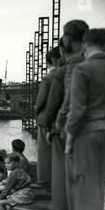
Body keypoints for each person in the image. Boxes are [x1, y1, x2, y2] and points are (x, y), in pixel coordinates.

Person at [64, 28, 105, 210]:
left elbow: (77, 109)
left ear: (85, 45)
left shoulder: (82, 69)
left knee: (85, 182)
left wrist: (69, 136)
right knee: (99, 179)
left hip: (87, 132)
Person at [55, 19, 89, 210]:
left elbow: (70, 101)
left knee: (73, 177)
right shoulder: (95, 61)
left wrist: (60, 125)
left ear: (68, 39)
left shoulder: (74, 65)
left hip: (75, 129)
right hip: (98, 129)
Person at [45, 38, 69, 210]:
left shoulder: (57, 74)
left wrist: (50, 124)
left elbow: (50, 104)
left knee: (57, 167)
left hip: (61, 125)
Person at [36, 47, 61, 189]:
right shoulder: (66, 74)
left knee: (44, 153)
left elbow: (40, 101)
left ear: (49, 60)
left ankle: (43, 181)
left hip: (45, 119)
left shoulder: (48, 78)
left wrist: (37, 113)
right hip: (60, 120)